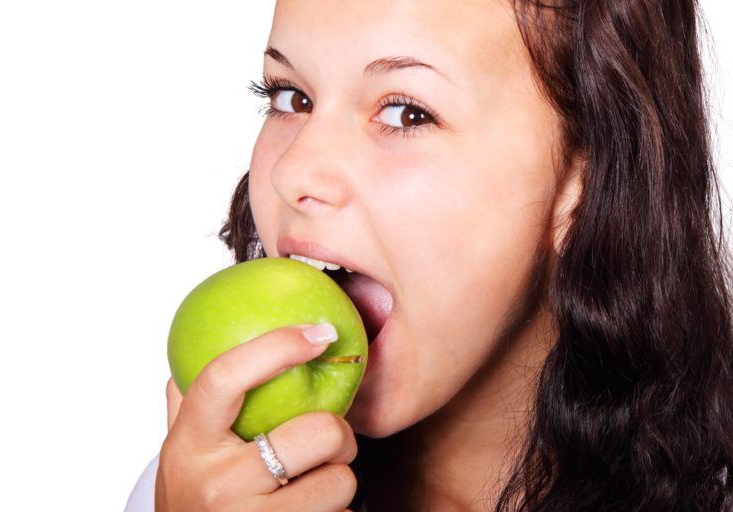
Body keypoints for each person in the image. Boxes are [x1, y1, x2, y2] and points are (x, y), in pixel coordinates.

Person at [126, 0, 733, 510]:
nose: (293, 172)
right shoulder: (202, 493)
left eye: (405, 112)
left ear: (586, 177)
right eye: (292, 98)